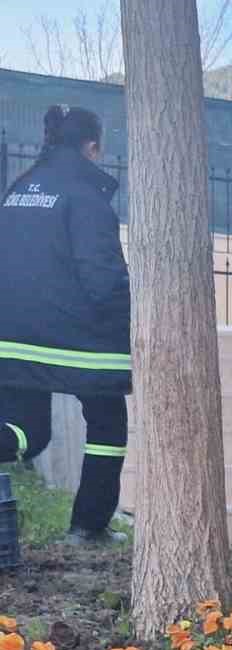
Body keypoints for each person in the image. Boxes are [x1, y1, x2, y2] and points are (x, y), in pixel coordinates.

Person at [0, 105, 132, 545]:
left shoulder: (19, 188)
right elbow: (102, 277)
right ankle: (87, 527)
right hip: (72, 338)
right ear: (92, 147)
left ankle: (87, 526)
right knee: (108, 418)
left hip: (10, 336)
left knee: (26, 431)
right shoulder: (85, 196)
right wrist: (127, 325)